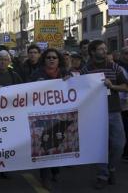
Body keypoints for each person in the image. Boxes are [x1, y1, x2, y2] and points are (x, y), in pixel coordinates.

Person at [80, 40, 128, 189]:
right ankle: (102, 175)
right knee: (100, 145)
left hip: (113, 111)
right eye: (101, 49)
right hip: (95, 113)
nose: (104, 51)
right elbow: (79, 90)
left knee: (119, 143)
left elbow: (126, 86)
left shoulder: (115, 68)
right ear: (93, 52)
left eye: (105, 48)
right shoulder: (86, 70)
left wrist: (112, 85)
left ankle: (111, 167)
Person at [29, 48, 72, 190]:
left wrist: (71, 81)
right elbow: (26, 92)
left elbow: (78, 88)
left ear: (59, 60)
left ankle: (55, 170)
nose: (52, 59)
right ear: (44, 60)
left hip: (61, 115)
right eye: (48, 57)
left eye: (54, 57)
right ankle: (44, 177)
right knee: (45, 146)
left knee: (58, 143)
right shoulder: (36, 74)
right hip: (42, 116)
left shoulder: (66, 74)